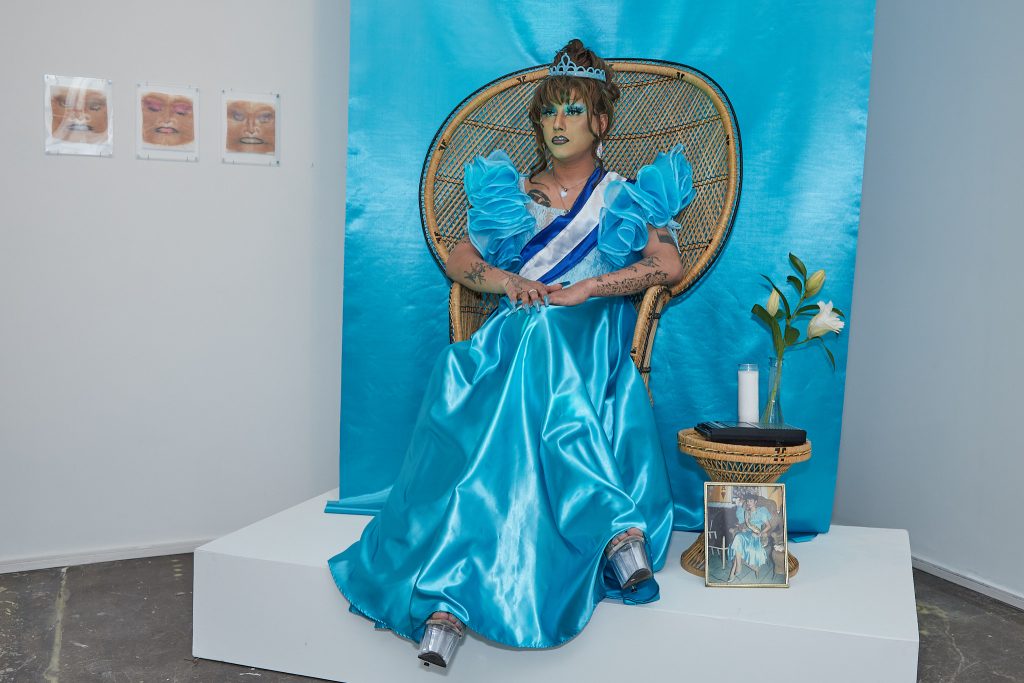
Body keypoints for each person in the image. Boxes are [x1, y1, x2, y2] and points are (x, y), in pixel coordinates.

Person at [328, 39, 696, 668]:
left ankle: (450, 603)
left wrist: (590, 287)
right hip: (515, 332)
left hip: (587, 336)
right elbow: (462, 260)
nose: (558, 124)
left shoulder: (623, 196)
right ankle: (611, 530)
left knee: (545, 336)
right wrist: (509, 282)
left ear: (600, 123)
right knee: (516, 342)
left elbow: (667, 261)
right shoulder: (514, 192)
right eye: (550, 112)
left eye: (573, 111)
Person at [727, 493, 773, 582]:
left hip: (755, 534)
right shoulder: (746, 512)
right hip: (746, 533)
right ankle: (738, 568)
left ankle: (733, 571)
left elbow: (768, 526)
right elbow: (743, 523)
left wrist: (760, 534)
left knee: (738, 540)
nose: (748, 502)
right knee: (738, 537)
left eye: (751, 501)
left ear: (756, 502)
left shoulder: (761, 512)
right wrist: (742, 528)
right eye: (747, 501)